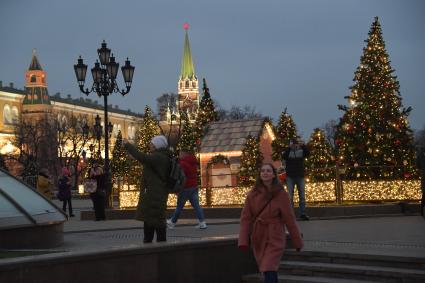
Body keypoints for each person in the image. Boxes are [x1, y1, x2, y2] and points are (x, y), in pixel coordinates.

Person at [238, 163, 303, 283]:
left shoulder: (281, 194)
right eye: (263, 171)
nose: (265, 173)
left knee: (269, 265)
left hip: (275, 235)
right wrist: (243, 240)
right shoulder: (253, 194)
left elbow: (289, 218)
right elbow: (245, 218)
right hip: (259, 236)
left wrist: (297, 241)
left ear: (273, 175)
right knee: (268, 268)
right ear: (260, 174)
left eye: (268, 171)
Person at [124, 135, 171, 243]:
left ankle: (155, 247)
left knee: (155, 221)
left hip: (155, 195)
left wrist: (128, 145)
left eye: (152, 143)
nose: (150, 145)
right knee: (152, 219)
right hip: (155, 193)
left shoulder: (158, 157)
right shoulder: (161, 157)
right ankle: (153, 245)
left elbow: (141, 157)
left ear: (157, 145)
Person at [167, 149, 207, 229]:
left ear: (184, 154)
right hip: (194, 186)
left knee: (179, 206)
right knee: (196, 206)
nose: (179, 155)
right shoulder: (193, 162)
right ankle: (202, 222)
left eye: (180, 153)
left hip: (185, 187)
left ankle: (172, 222)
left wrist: (177, 187)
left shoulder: (182, 163)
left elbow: (180, 176)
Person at [282, 138, 310, 220]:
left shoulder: (301, 151)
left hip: (300, 176)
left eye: (295, 144)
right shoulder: (288, 152)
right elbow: (284, 156)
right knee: (290, 197)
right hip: (290, 177)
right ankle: (291, 215)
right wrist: (289, 148)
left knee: (302, 196)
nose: (294, 145)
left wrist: (303, 146)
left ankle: (303, 213)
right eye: (292, 144)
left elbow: (308, 154)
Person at [417, 146, 425, 216]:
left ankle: (422, 212)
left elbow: (418, 165)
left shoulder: (420, 152)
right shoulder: (420, 153)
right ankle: (422, 211)